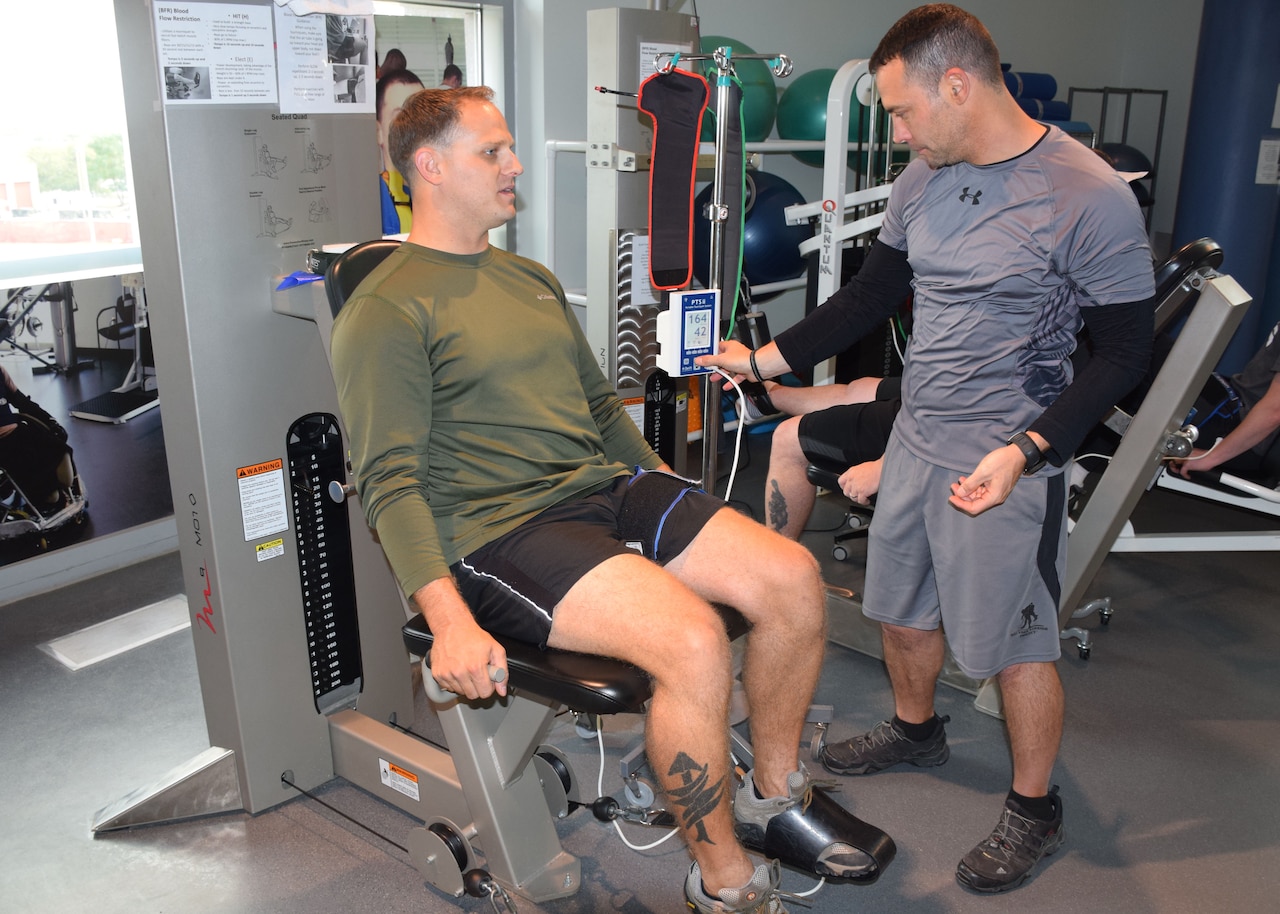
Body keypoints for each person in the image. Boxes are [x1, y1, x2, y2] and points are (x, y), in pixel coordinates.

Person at [330, 86, 894, 913]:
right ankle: (723, 880)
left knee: (789, 578)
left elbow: (598, 410)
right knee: (695, 642)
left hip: (605, 489)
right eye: (494, 151)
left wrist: (668, 499)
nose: (515, 163)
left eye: (510, 146)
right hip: (499, 530)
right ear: (431, 167)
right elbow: (388, 479)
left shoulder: (527, 278)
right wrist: (448, 618)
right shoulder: (386, 307)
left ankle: (772, 797)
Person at [697, 4, 1155, 894]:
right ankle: (917, 730)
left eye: (903, 111)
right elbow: (872, 297)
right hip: (919, 434)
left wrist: (1029, 449)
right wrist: (762, 358)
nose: (898, 130)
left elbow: (1127, 354)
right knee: (901, 609)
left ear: (958, 84)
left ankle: (1035, 806)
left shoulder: (1085, 193)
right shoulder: (925, 178)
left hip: (1006, 447)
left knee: (1018, 644)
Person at [749, 376, 900, 538]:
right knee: (860, 389)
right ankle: (769, 397)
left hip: (920, 428)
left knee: (787, 437)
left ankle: (778, 560)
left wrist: (883, 463)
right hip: (920, 401)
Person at [1172, 318, 1280, 481]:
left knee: (1148, 363)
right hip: (1238, 403)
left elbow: (1275, 410)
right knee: (1163, 357)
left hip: (1243, 432)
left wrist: (1210, 457)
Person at [0, 366, 71, 510]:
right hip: (4, 445)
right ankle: (46, 494)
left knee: (59, 448)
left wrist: (50, 420)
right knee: (52, 497)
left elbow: (21, 401)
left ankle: (55, 489)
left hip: (18, 432)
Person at [375, 69, 424, 235]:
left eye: (422, 116)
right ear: (378, 132)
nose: (414, 127)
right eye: (401, 118)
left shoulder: (443, 195)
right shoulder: (373, 205)